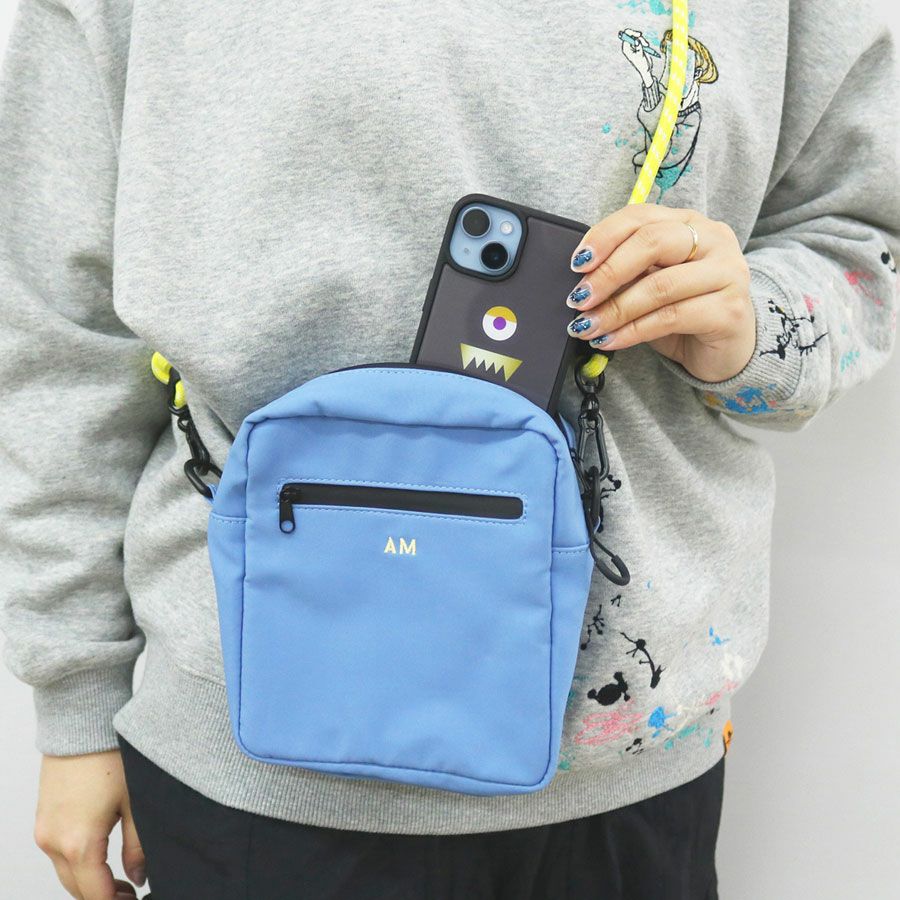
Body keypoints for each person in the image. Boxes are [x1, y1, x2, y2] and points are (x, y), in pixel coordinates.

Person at [0, 1, 897, 898]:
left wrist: (752, 326)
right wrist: (77, 700)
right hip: (250, 759)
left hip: (630, 769)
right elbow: (57, 329)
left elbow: (861, 238)